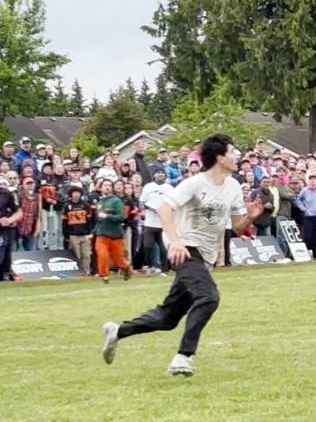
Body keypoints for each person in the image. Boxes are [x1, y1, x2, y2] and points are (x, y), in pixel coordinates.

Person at [100, 134, 264, 377]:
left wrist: (250, 217)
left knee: (168, 318)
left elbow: (237, 227)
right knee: (209, 297)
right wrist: (175, 241)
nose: (238, 156)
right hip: (186, 249)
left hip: (206, 255)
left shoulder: (233, 187)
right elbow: (165, 208)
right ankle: (183, 357)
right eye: (233, 151)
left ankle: (119, 331)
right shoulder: (195, 183)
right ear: (220, 157)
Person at [93, 179, 132, 283]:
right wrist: (92, 232)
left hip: (115, 235)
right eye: (105, 185)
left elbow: (121, 217)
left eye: (110, 185)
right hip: (102, 234)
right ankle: (104, 275)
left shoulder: (116, 201)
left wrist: (108, 216)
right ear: (100, 187)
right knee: (102, 254)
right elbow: (98, 221)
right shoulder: (99, 203)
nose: (107, 187)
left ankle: (126, 267)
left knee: (118, 261)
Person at [139, 167, 173, 274]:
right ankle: (150, 266)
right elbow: (141, 203)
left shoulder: (169, 188)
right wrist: (152, 209)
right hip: (150, 222)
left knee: (164, 248)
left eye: (162, 173)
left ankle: (164, 269)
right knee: (147, 245)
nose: (160, 174)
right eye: (158, 172)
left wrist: (165, 210)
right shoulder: (148, 187)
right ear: (154, 175)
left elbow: (174, 203)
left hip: (164, 223)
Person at [62, 186, 93, 275]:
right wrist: (66, 236)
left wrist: (90, 232)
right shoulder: (67, 206)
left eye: (78, 193)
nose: (76, 195)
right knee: (76, 255)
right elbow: (64, 222)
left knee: (86, 255)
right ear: (71, 194)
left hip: (85, 234)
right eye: (74, 193)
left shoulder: (86, 205)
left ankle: (86, 272)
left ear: (81, 194)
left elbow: (90, 221)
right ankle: (77, 273)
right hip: (73, 235)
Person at [0, 178, 22, 281]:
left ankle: (5, 273)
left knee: (5, 252)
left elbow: (19, 212)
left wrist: (9, 220)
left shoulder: (6, 194)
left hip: (5, 230)